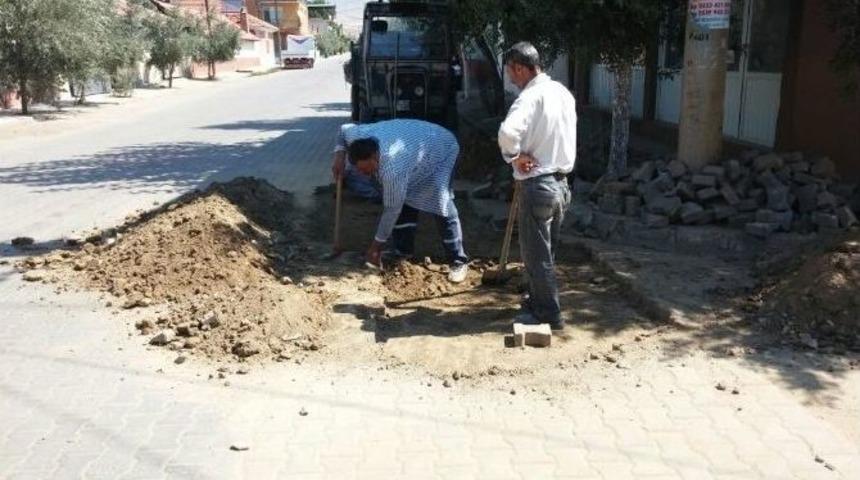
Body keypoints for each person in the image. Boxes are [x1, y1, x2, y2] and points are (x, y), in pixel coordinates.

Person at [497, 41, 577, 330]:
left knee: (536, 256)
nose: (510, 79)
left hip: (538, 186)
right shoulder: (562, 93)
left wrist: (515, 157)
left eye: (510, 72)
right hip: (562, 185)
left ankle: (548, 314)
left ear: (520, 68)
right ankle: (536, 301)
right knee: (546, 254)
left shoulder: (529, 98)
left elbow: (507, 132)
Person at [331, 119, 469, 283]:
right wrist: (339, 157)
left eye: (366, 169)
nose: (364, 174)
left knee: (440, 202)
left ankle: (458, 261)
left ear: (375, 157)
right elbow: (343, 129)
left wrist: (376, 248)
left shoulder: (392, 171)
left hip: (440, 149)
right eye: (359, 170)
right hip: (413, 146)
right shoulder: (356, 137)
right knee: (401, 197)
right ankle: (403, 252)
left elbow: (391, 210)